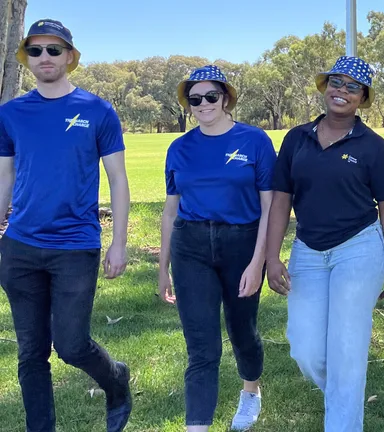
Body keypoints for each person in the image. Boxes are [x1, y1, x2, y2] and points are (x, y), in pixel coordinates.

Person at [0, 19, 132, 432]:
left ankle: (116, 379)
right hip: (19, 246)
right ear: (27, 59)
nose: (45, 58)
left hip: (75, 245)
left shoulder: (97, 110)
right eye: (36, 51)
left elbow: (118, 180)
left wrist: (119, 243)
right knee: (31, 353)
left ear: (70, 57)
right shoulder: (11, 114)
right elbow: (4, 177)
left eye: (53, 50)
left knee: (72, 345)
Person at [265, 55, 384, 432]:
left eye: (352, 87)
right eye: (336, 83)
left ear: (363, 98)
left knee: (347, 349)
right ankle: (345, 394)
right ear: (325, 87)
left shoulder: (375, 148)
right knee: (305, 348)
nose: (341, 91)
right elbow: (281, 201)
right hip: (308, 251)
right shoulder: (296, 139)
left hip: (358, 249)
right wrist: (271, 258)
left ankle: (344, 418)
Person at [158, 65, 276, 431]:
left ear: (226, 98)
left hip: (241, 244)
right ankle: (198, 426)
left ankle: (251, 392)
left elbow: (270, 206)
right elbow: (171, 208)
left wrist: (259, 262)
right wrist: (163, 267)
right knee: (201, 347)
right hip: (190, 246)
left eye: (211, 96)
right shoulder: (178, 148)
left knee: (243, 332)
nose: (203, 104)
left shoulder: (255, 141)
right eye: (195, 99)